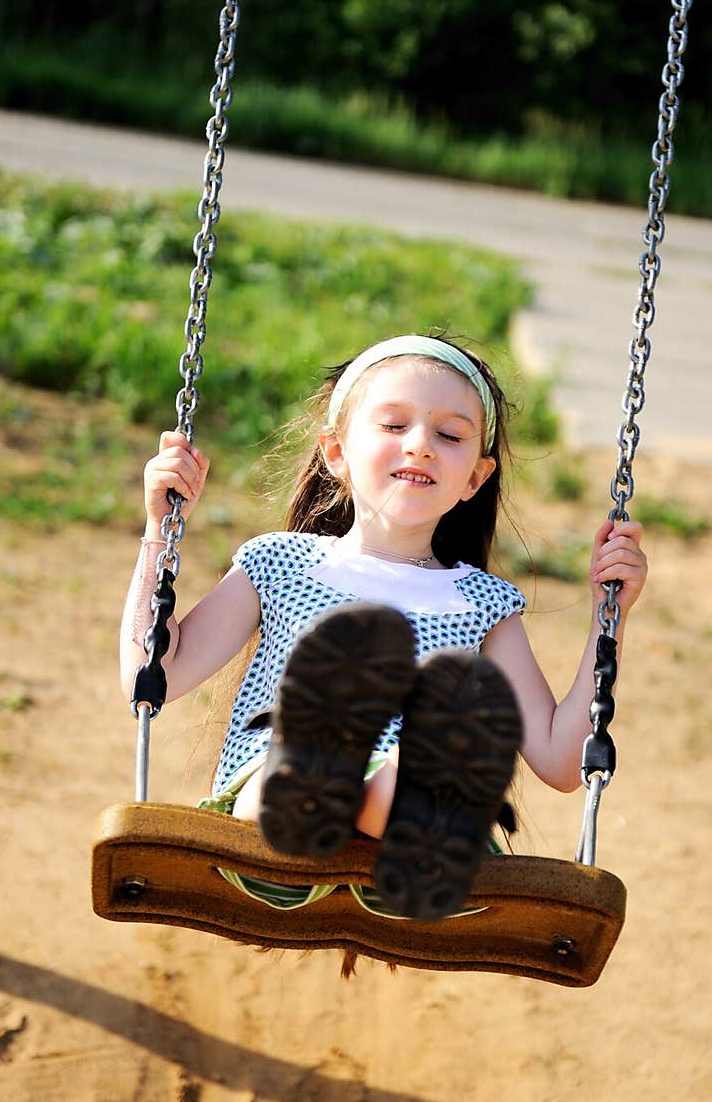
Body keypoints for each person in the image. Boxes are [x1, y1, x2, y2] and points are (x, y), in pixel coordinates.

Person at [119, 333, 647, 922]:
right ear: (336, 452)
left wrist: (612, 616)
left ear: (475, 478)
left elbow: (559, 760)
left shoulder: (483, 603)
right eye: (394, 426)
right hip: (270, 845)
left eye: (449, 436)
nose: (420, 446)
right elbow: (152, 676)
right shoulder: (279, 563)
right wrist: (157, 532)